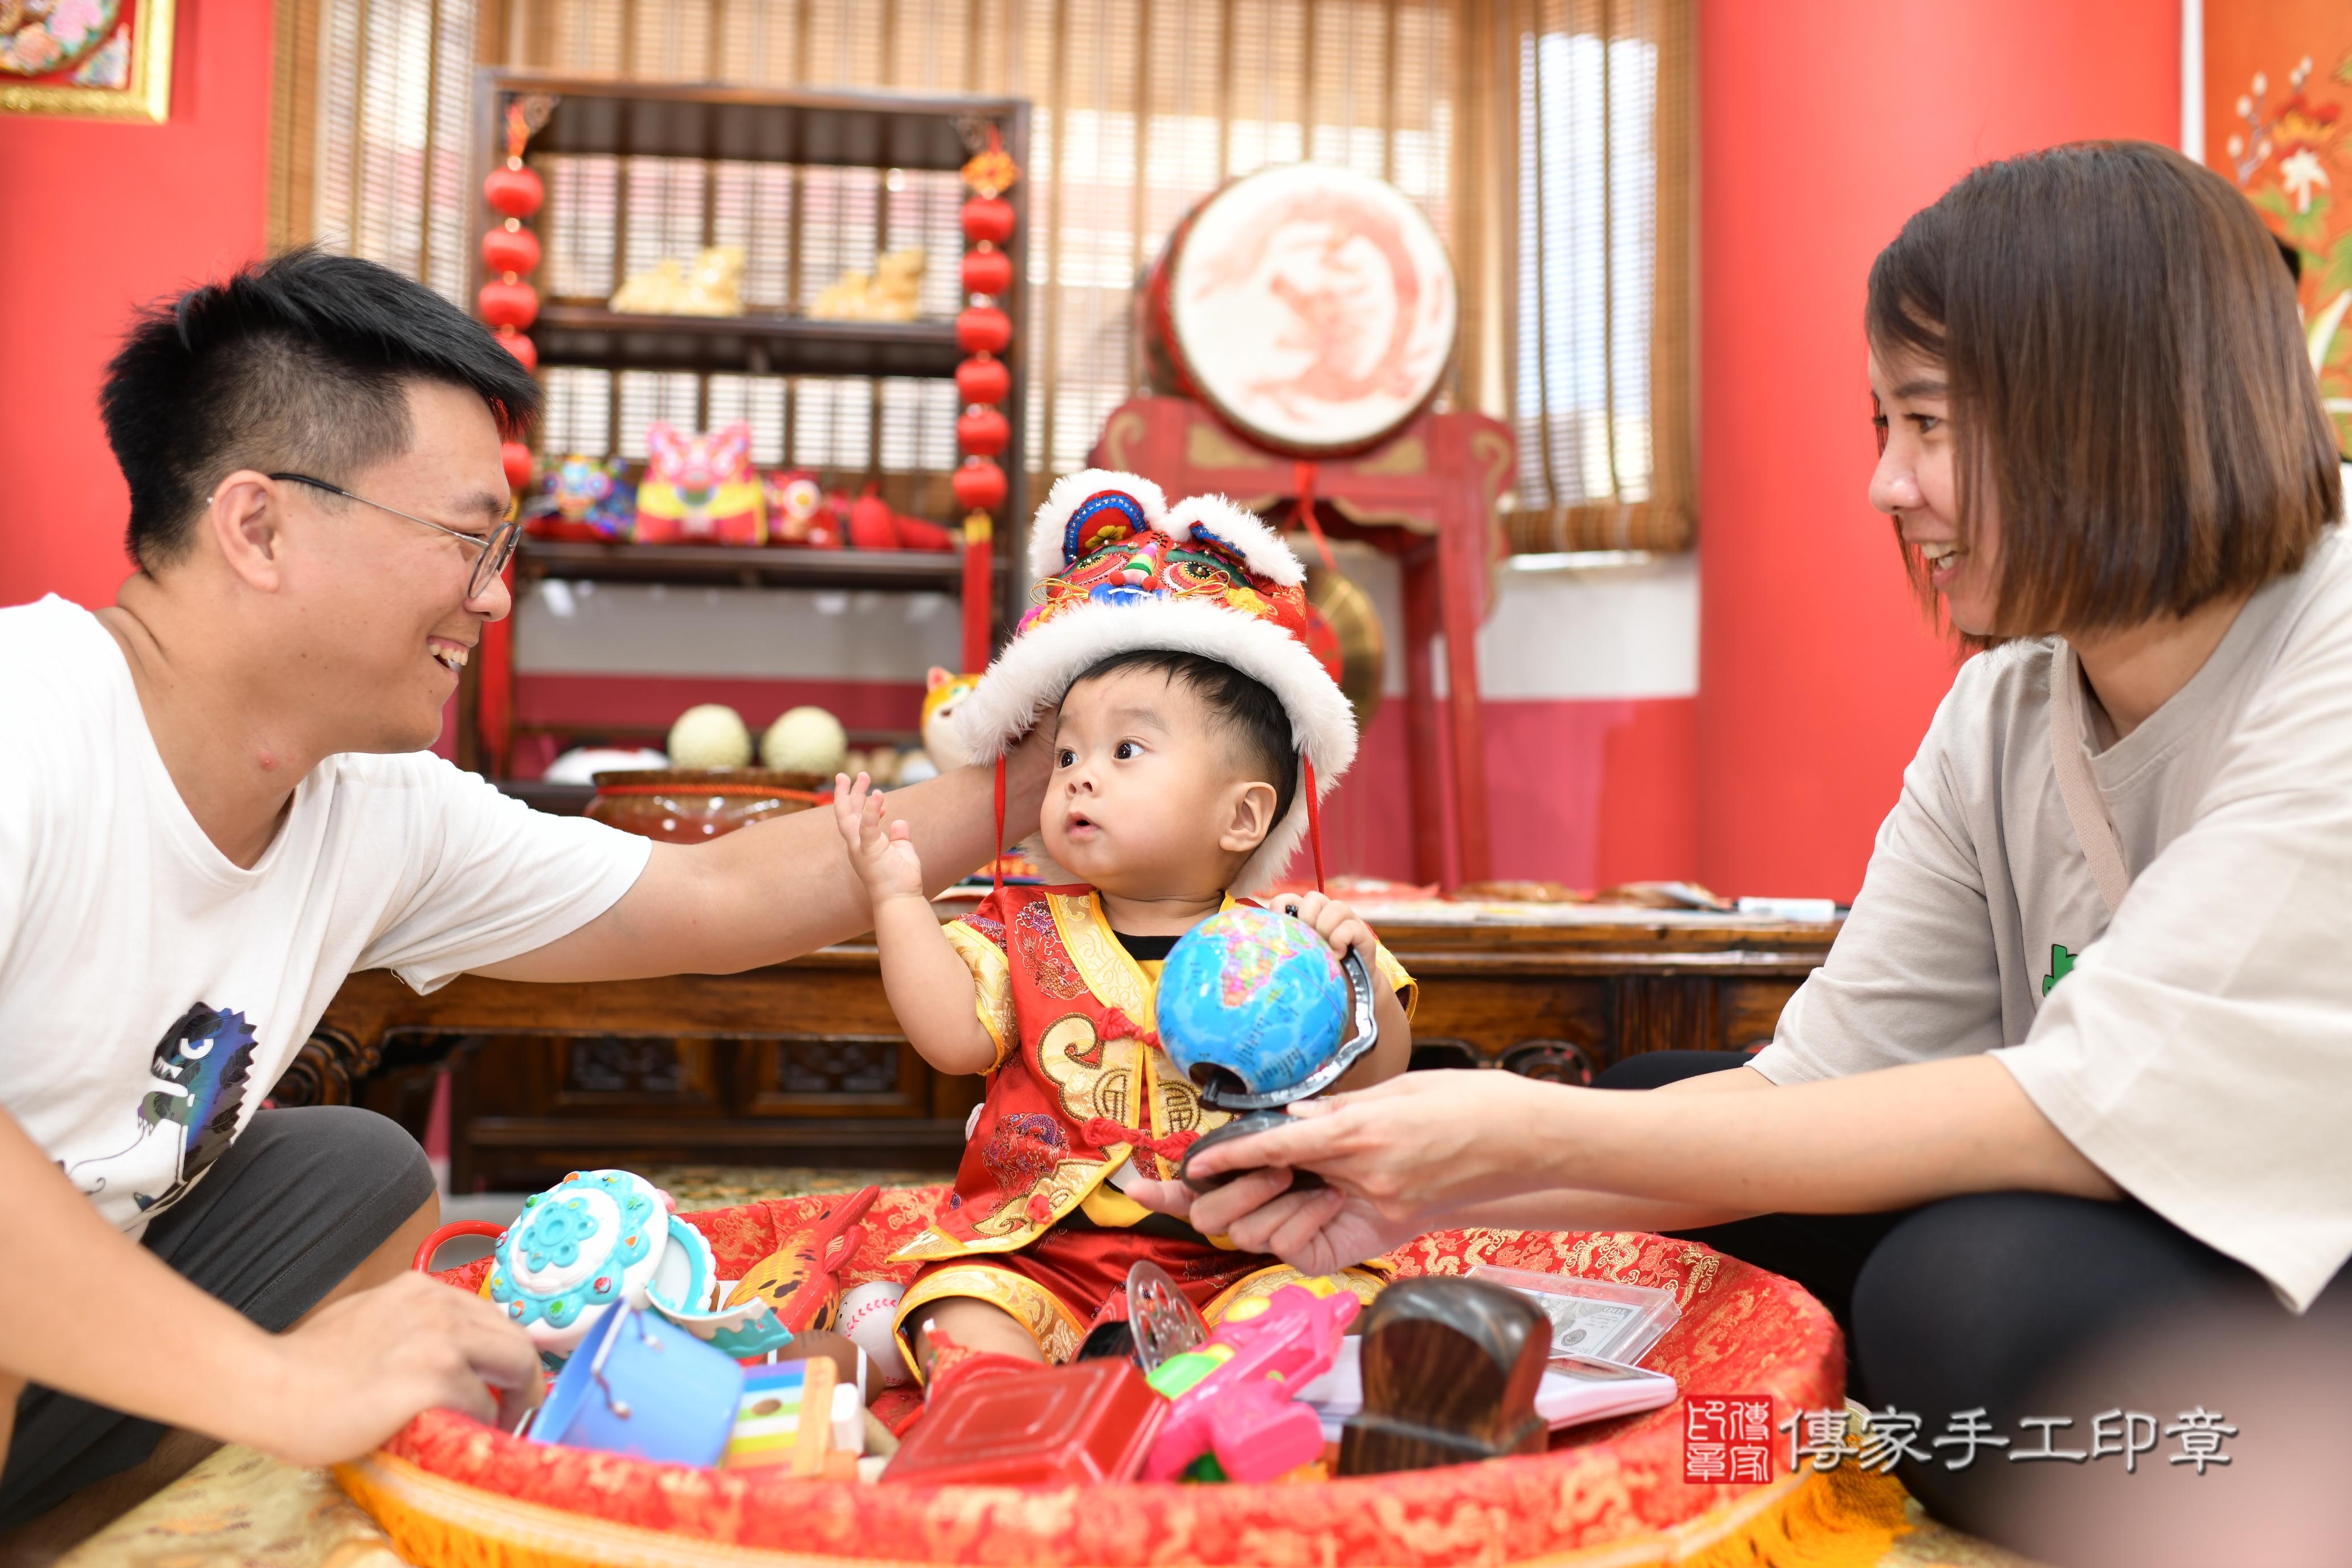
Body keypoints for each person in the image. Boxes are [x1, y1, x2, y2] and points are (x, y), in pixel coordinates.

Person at [1136, 141, 2351, 1544]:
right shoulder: (2012, 697)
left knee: (1964, 1293)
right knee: (1678, 1108)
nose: (1889, 487)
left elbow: (2074, 1103)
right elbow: (1826, 1077)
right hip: (2136, 1172)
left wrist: (1518, 1131)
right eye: (1882, 427)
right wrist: (1399, 1195)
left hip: (2299, 1238)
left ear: (2111, 408)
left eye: (1932, 424)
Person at [0, 248, 1051, 1543]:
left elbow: (712, 896)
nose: (494, 593)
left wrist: (1053, 772)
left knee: (351, 1174)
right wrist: (280, 1385)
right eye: (466, 537)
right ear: (258, 526)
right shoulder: (28, 721)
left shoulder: (367, 801)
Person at [829, 472, 1414, 1379]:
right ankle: (1017, 1401)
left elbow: (1378, 1074)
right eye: (1068, 754)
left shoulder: (1284, 941)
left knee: (1336, 1313)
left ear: (1243, 817)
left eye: (1125, 751)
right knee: (956, 1312)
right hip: (1040, 1256)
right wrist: (898, 901)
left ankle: (1209, 1395)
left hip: (1243, 1255)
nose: (1079, 777)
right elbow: (951, 1041)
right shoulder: (1021, 924)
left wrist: (1360, 968)